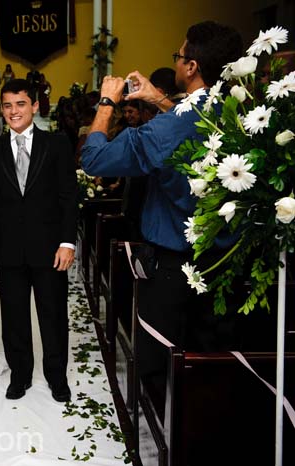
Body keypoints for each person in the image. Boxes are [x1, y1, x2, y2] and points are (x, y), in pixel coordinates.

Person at [81, 21, 243, 414]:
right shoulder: (238, 113)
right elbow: (195, 126)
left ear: (191, 67)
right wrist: (158, 99)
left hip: (173, 270)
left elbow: (94, 159)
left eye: (179, 56)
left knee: (159, 366)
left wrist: (107, 102)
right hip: (227, 267)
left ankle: (157, 442)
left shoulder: (169, 129)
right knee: (212, 367)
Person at [0, 79, 77, 403]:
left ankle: (57, 378)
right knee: (13, 316)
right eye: (7, 105)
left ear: (34, 106)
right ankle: (20, 376)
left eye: (20, 104)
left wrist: (67, 242)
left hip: (50, 248)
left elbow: (68, 197)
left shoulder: (57, 144)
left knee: (53, 314)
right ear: (1, 109)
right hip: (11, 248)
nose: (13, 111)